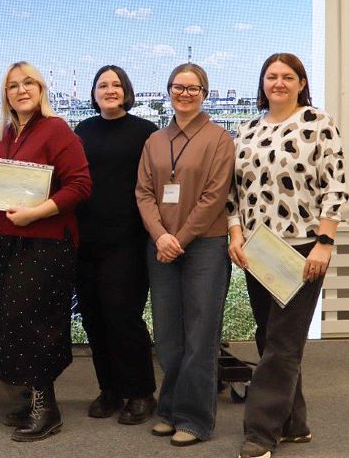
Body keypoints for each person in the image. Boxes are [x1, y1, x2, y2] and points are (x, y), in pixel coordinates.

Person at [227, 53, 347, 458]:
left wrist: (325, 242)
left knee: (283, 342)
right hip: (258, 248)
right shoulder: (248, 128)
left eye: (287, 76)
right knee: (269, 337)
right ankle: (294, 424)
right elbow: (233, 191)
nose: (278, 82)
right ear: (262, 83)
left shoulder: (318, 123)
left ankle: (260, 434)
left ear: (301, 83)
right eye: (271, 76)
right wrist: (235, 233)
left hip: (302, 247)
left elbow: (336, 186)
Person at [0, 61, 91, 442]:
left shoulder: (57, 130)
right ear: (6, 95)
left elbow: (80, 185)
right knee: (12, 321)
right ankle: (32, 399)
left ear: (41, 90)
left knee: (37, 321)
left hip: (46, 242)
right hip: (5, 241)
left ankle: (47, 408)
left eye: (29, 83)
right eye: (13, 85)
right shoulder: (0, 137)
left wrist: (36, 213)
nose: (21, 90)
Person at [135, 63, 234, 448]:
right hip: (161, 247)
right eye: (179, 87)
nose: (185, 94)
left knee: (200, 334)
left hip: (204, 245)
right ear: (169, 91)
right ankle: (171, 409)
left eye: (194, 88)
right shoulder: (155, 141)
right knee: (168, 336)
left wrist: (180, 238)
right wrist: (161, 236)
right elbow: (144, 193)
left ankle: (195, 419)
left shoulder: (219, 139)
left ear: (205, 93)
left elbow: (214, 196)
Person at [74, 65, 158, 425]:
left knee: (123, 316)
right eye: (102, 85)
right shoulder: (83, 130)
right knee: (93, 318)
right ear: (94, 94)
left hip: (128, 240)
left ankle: (140, 392)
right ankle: (108, 389)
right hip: (86, 241)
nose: (109, 90)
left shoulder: (146, 132)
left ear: (126, 91)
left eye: (116, 85)